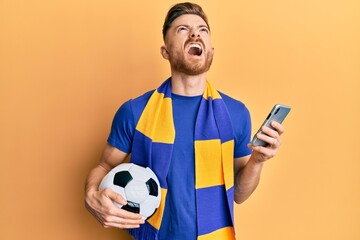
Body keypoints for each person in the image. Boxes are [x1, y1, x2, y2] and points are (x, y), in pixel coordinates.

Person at [85, 2, 285, 240]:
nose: (195, 34)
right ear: (165, 51)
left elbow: (239, 194)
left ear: (211, 49)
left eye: (203, 30)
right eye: (182, 29)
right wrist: (90, 195)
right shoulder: (134, 112)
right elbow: (104, 166)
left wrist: (258, 161)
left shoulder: (236, 114)